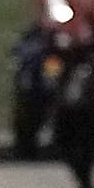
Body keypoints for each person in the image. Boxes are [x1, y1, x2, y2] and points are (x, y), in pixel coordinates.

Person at [49, 22, 94, 188]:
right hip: (68, 106)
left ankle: (86, 186)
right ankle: (83, 179)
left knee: (87, 149)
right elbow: (52, 68)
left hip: (90, 108)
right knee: (63, 143)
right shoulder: (66, 50)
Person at [10, 20, 58, 160]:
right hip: (35, 87)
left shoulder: (36, 45)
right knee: (31, 119)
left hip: (34, 87)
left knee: (30, 119)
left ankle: (26, 148)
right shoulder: (40, 46)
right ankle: (26, 148)